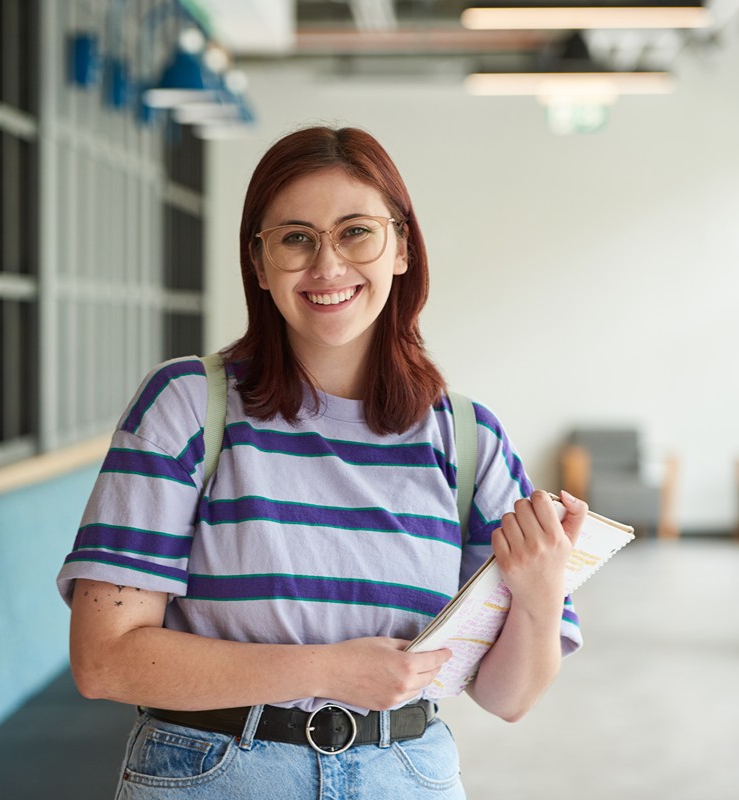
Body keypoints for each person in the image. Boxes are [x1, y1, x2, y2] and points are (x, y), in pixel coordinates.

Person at [57, 125, 588, 799]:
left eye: (356, 232)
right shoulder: (188, 406)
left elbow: (507, 697)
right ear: (259, 263)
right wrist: (322, 670)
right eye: (296, 238)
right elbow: (105, 659)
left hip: (408, 775)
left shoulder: (467, 437)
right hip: (219, 778)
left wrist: (541, 591)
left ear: (401, 247)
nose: (328, 267)